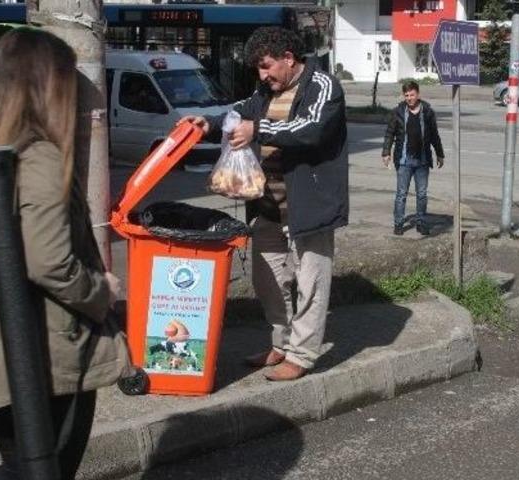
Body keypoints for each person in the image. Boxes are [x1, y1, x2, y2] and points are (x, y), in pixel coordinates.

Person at [0, 29, 130, 479]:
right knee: (42, 470)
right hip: (46, 352)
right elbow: (49, 261)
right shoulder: (38, 157)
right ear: (50, 87)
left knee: (24, 466)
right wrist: (102, 290)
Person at [180, 26, 348, 381]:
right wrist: (209, 123)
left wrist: (258, 130)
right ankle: (281, 344)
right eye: (258, 68)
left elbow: (311, 128)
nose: (262, 75)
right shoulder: (265, 91)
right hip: (268, 206)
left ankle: (301, 356)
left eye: (267, 65)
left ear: (288, 57)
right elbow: (239, 111)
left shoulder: (323, 86)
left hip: (310, 207)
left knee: (311, 283)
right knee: (266, 278)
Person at [381, 80, 445, 236]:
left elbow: (434, 135)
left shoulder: (427, 112)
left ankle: (421, 223)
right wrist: (386, 152)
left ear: (418, 94)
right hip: (404, 160)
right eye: (406, 95)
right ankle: (398, 223)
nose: (409, 98)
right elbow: (390, 133)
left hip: (422, 160)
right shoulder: (398, 112)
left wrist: (440, 153)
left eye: (412, 95)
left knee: (422, 194)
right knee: (401, 194)